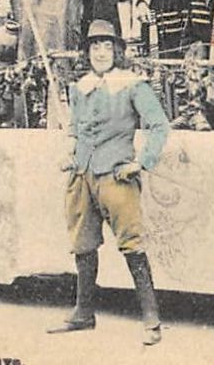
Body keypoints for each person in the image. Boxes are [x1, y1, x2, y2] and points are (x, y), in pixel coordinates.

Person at [48, 20, 170, 343]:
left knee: (131, 243)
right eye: (94, 47)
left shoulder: (132, 84)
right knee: (83, 244)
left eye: (106, 46)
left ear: (117, 50)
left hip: (116, 175)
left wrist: (140, 163)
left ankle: (151, 319)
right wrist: (69, 152)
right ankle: (83, 313)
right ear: (86, 53)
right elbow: (74, 130)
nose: (100, 52)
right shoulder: (80, 87)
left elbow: (159, 126)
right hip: (82, 175)